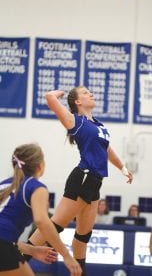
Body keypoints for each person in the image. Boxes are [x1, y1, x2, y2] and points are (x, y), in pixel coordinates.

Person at [28, 86, 133, 276]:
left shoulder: (99, 125)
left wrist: (123, 168)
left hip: (95, 182)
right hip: (83, 178)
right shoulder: (76, 121)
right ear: (77, 102)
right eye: (85, 92)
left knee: (83, 236)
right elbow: (50, 98)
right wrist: (61, 92)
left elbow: (107, 150)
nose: (90, 94)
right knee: (56, 225)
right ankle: (18, 257)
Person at [0, 143, 81, 276]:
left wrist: (32, 250)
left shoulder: (3, 184)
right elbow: (41, 221)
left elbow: (5, 237)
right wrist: (67, 256)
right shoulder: (36, 187)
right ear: (40, 166)